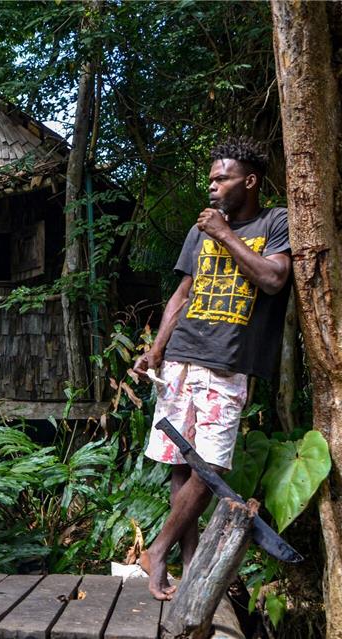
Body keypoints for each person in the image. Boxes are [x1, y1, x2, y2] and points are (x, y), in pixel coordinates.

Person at [132, 137, 292, 601]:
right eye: (210, 180)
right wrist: (156, 349)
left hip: (227, 360)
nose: (212, 186)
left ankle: (156, 550)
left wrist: (224, 234)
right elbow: (182, 294)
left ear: (250, 181)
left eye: (222, 179)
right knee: (181, 462)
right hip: (181, 355)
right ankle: (189, 563)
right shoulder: (199, 229)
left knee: (212, 463)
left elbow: (274, 278)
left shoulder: (275, 221)